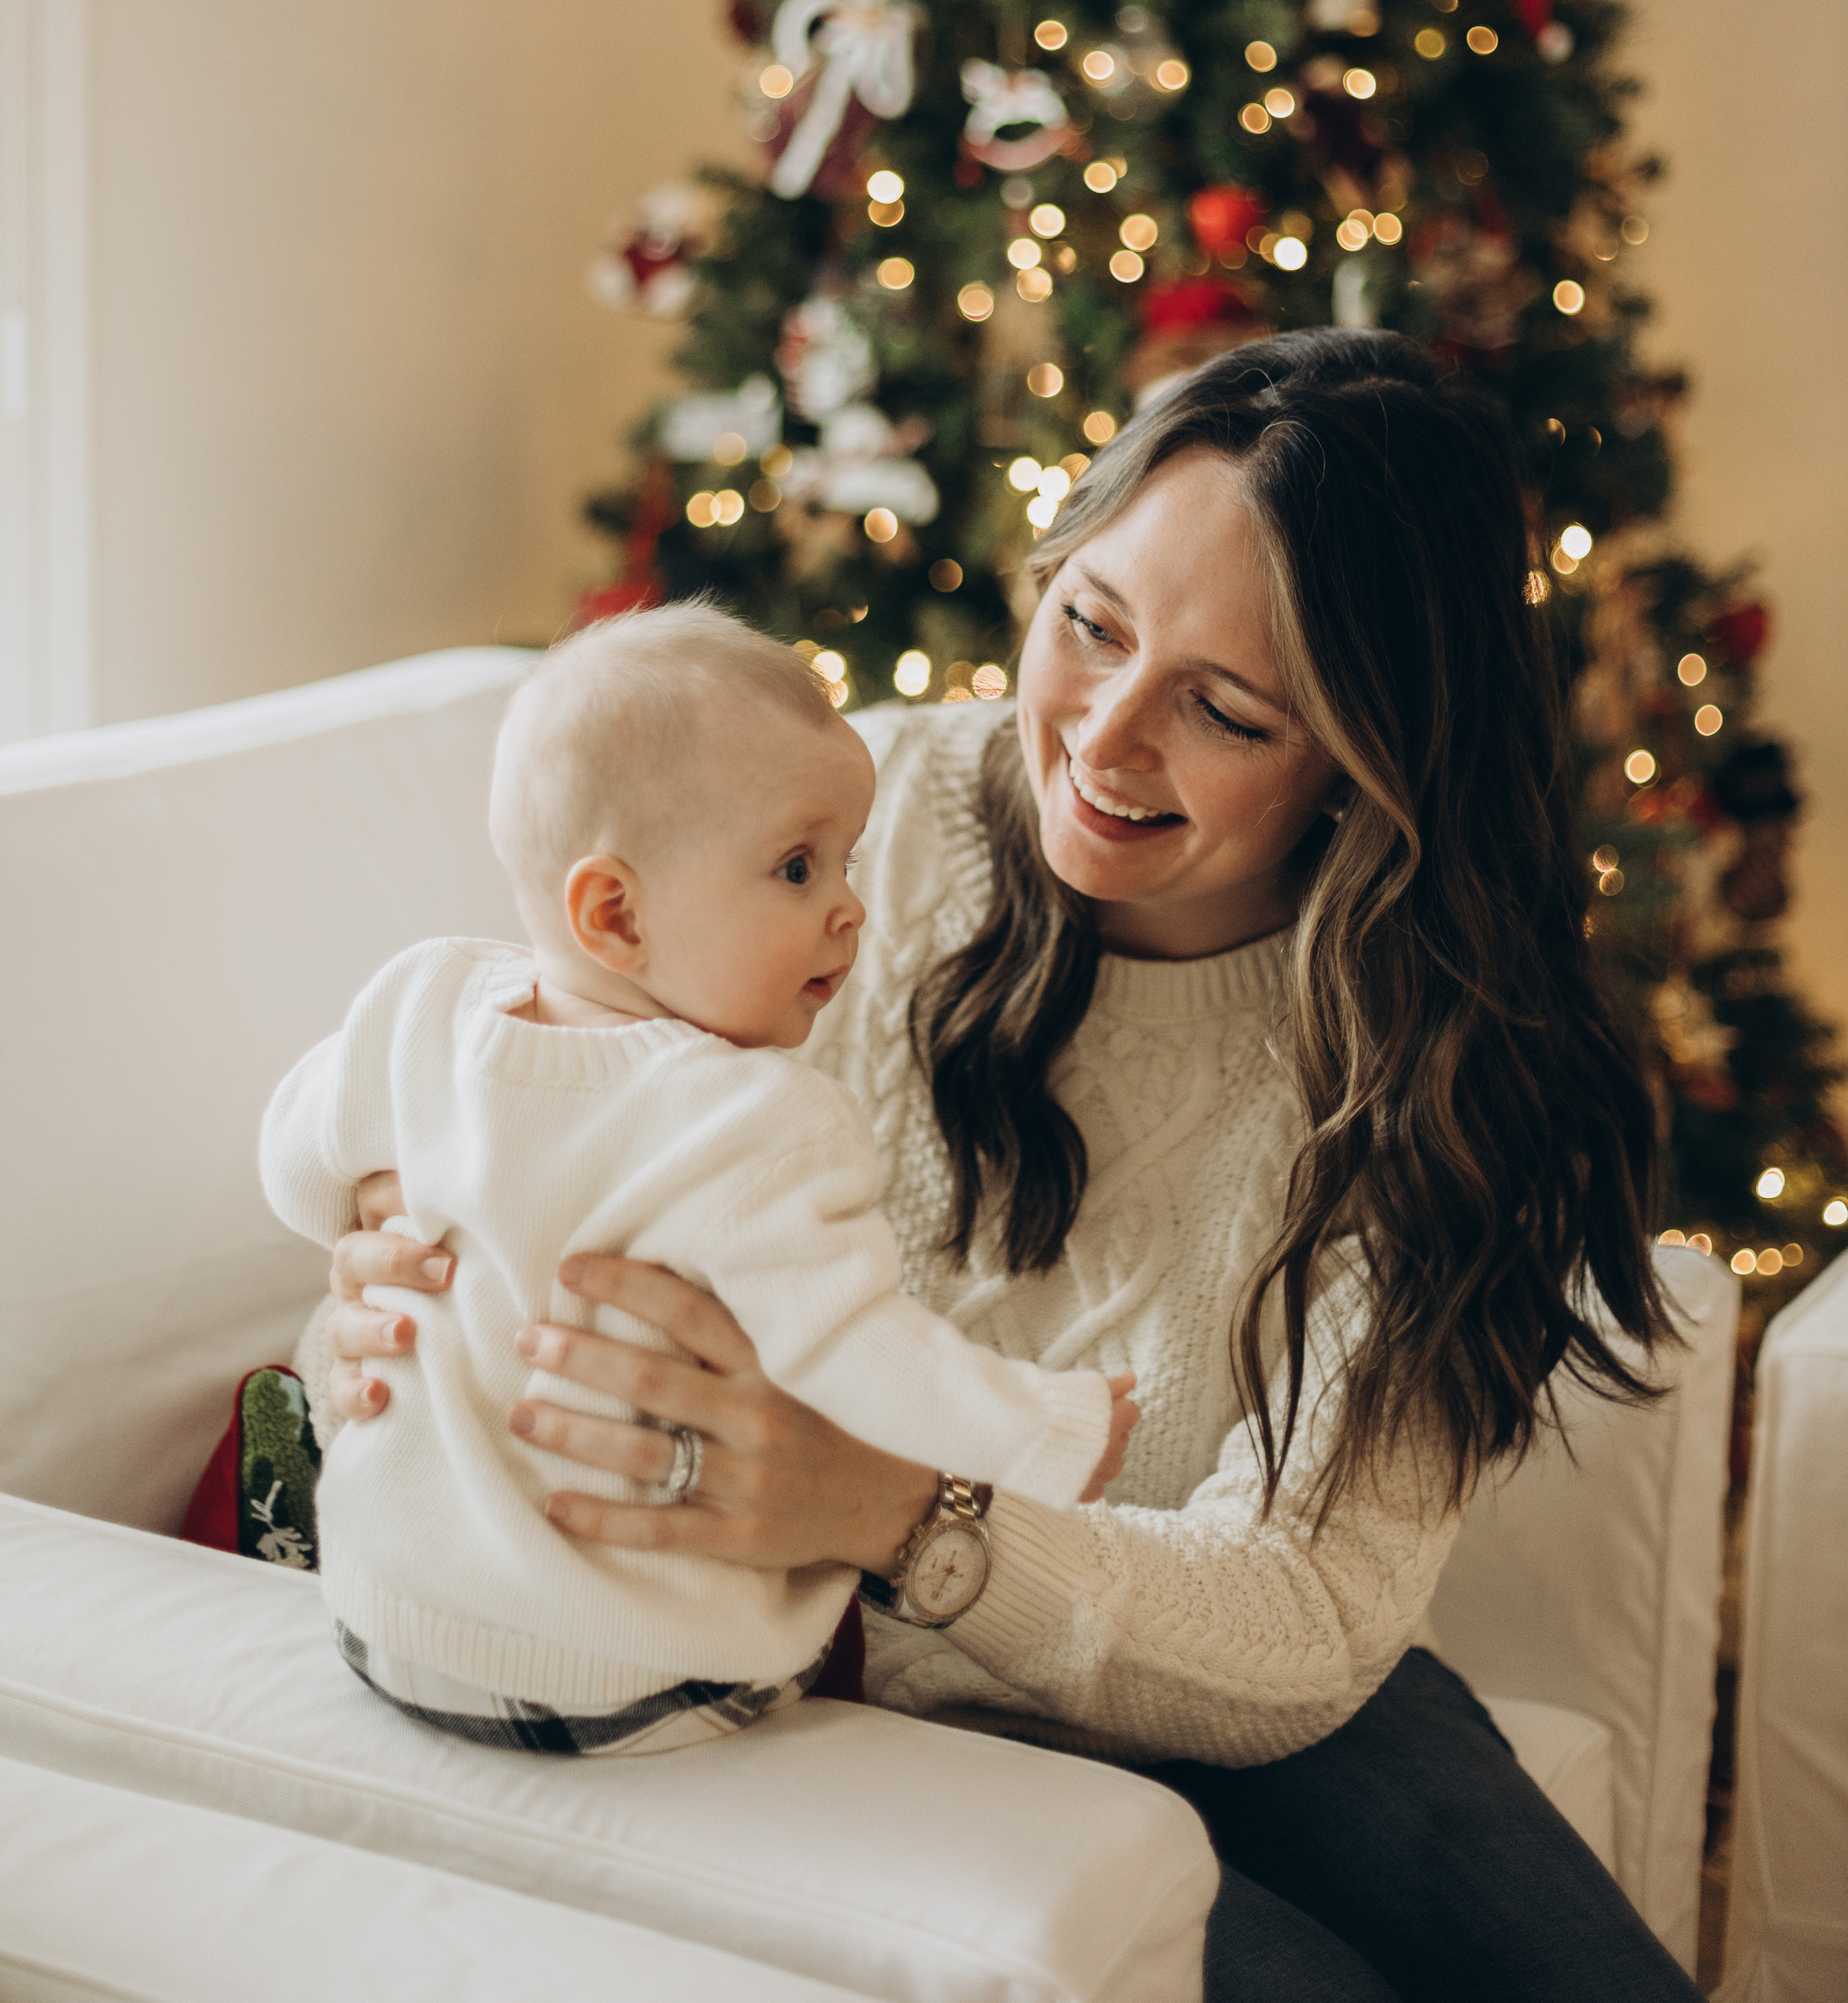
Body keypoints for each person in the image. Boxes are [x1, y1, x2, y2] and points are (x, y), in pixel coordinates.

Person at [311, 332, 1703, 2000]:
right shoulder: (838, 815)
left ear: (1363, 755)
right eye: (1089, 626)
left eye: (1224, 710)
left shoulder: (1431, 1058)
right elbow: (526, 1082)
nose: (1103, 739)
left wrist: (898, 1511)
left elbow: (1310, 1616)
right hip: (782, 1677)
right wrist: (396, 1266)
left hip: (1166, 1644)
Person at [263, 604, 1133, 1758]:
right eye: (794, 866)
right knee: (800, 1635)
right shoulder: (752, 1119)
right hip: (621, 1678)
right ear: (614, 913)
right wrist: (1046, 1431)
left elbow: (289, 1152)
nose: (849, 908)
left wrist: (365, 1207)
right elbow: (861, 1355)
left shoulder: (420, 1004)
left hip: (379, 1622)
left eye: (846, 861)